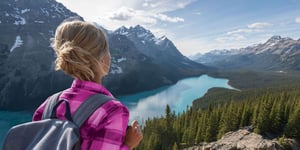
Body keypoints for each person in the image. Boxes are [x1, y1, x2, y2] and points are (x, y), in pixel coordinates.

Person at [32, 20, 143, 150]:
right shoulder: (112, 111)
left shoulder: (49, 105)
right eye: (108, 50)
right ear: (101, 60)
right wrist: (128, 145)